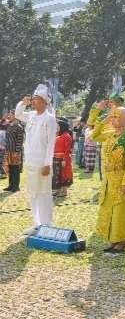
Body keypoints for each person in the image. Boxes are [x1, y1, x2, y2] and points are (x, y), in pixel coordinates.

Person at [90, 106, 125, 254]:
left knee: (120, 210)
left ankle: (120, 242)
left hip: (121, 179)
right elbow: (94, 135)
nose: (113, 119)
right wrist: (104, 119)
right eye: (113, 116)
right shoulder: (110, 135)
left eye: (116, 117)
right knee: (108, 209)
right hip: (108, 180)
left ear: (124, 120)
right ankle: (112, 240)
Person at [15, 84, 57, 236]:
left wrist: (47, 164)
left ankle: (46, 225)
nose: (34, 102)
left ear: (45, 102)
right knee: (33, 193)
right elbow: (18, 114)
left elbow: (51, 143)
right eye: (33, 100)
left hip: (42, 163)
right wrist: (23, 103)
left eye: (37, 99)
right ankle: (37, 224)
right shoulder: (31, 115)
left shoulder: (50, 119)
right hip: (31, 162)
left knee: (44, 193)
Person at [2, 111, 24, 192]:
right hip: (8, 150)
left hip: (15, 151)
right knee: (10, 168)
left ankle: (16, 186)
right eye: (9, 115)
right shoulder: (9, 126)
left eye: (11, 115)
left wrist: (17, 151)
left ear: (16, 116)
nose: (9, 116)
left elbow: (20, 140)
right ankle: (10, 185)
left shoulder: (19, 127)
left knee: (15, 169)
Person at [52, 120, 73, 197]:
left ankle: (64, 191)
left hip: (63, 159)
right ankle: (58, 190)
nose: (57, 127)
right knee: (57, 174)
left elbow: (67, 149)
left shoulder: (67, 136)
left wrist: (64, 159)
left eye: (58, 126)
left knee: (64, 174)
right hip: (56, 159)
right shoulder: (58, 135)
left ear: (62, 127)